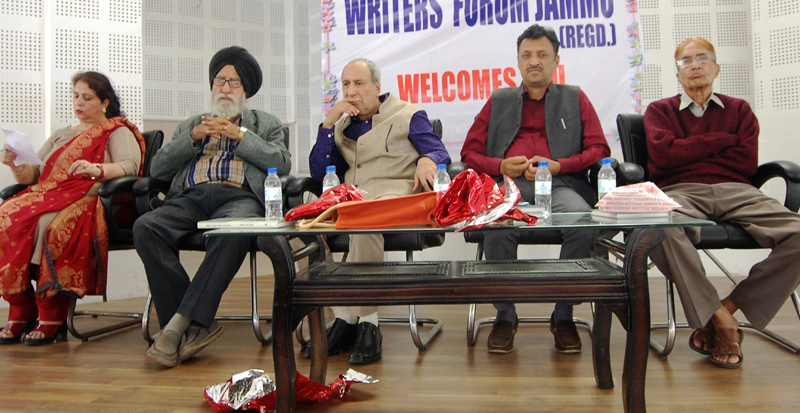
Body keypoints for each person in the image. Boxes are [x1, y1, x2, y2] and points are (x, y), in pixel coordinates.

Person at [644, 37, 800, 369]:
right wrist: (722, 140)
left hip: (738, 190)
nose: (695, 65)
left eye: (703, 59)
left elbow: (745, 161)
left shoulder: (739, 110)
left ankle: (727, 307)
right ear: (677, 73)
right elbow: (663, 157)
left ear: (717, 68)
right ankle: (720, 319)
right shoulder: (660, 111)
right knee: (657, 226)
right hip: (682, 191)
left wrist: (689, 146)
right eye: (686, 61)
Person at [132, 46, 291, 367]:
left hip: (240, 197)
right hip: (190, 197)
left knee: (233, 231)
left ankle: (175, 327)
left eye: (234, 83)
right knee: (146, 227)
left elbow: (281, 162)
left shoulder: (266, 124)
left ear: (246, 90)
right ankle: (195, 325)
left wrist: (240, 135)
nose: (225, 88)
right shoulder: (191, 125)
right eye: (220, 81)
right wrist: (193, 136)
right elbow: (158, 169)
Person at [460, 24, 610, 355]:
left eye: (542, 54)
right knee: (496, 223)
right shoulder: (499, 100)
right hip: (511, 184)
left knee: (582, 220)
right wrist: (500, 166)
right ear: (518, 61)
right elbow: (468, 153)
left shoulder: (575, 97)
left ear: (556, 60)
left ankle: (564, 314)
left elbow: (599, 149)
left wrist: (561, 165)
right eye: (526, 55)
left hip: (561, 184)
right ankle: (505, 314)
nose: (534, 61)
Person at [307, 57, 450, 364]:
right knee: (297, 232)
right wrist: (328, 124)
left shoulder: (408, 114)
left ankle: (368, 322)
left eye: (359, 83)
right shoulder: (341, 125)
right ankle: (344, 317)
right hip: (351, 199)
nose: (351, 91)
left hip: (393, 197)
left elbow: (438, 150)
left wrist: (429, 160)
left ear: (377, 86)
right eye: (345, 84)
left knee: (364, 221)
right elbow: (319, 172)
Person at [0, 71, 145, 346]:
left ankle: (52, 312)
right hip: (48, 195)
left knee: (49, 224)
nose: (78, 102)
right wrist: (14, 164)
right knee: (5, 215)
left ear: (105, 102)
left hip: (90, 199)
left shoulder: (116, 130)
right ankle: (21, 307)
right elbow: (33, 174)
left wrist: (96, 169)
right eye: (76, 96)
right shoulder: (61, 134)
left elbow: (129, 167)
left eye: (87, 97)